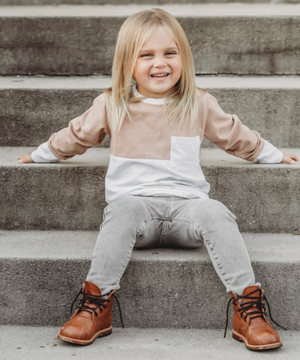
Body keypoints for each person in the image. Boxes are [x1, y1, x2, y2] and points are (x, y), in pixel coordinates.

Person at [18, 8, 297, 351]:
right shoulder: (113, 104)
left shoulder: (198, 103)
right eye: (146, 55)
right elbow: (77, 136)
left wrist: (274, 154)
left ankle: (248, 309)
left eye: (169, 53)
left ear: (183, 57)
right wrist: (40, 153)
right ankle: (95, 305)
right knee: (121, 210)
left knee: (217, 211)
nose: (159, 63)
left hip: (187, 212)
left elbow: (234, 136)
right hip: (137, 213)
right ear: (127, 63)